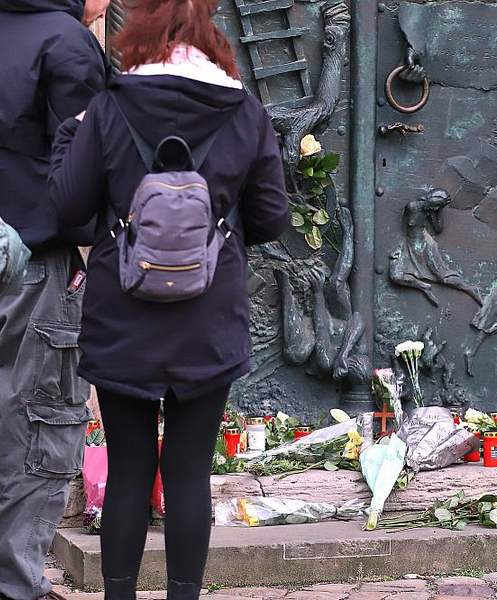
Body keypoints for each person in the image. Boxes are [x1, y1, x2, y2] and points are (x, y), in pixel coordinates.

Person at [47, 0, 290, 597]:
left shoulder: (108, 109)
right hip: (208, 316)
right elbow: (272, 217)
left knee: (129, 468)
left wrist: (70, 135)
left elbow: (69, 210)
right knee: (188, 473)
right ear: (213, 39)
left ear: (140, 31)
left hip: (122, 314)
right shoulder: (245, 112)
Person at [0, 1, 109, 598]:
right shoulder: (66, 42)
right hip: (36, 263)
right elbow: (85, 167)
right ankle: (14, 584)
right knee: (37, 424)